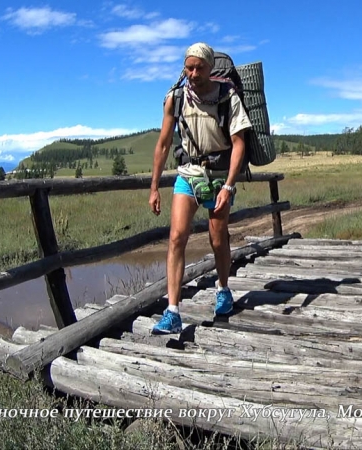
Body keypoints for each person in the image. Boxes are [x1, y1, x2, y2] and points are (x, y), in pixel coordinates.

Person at [148, 42, 252, 334]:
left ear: (209, 67)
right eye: (189, 67)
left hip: (218, 175)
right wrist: (154, 187)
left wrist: (229, 186)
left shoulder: (226, 96)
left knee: (218, 238)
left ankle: (223, 289)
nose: (193, 73)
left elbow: (239, 143)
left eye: (199, 67)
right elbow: (164, 144)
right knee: (176, 237)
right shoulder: (175, 98)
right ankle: (173, 311)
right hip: (187, 173)